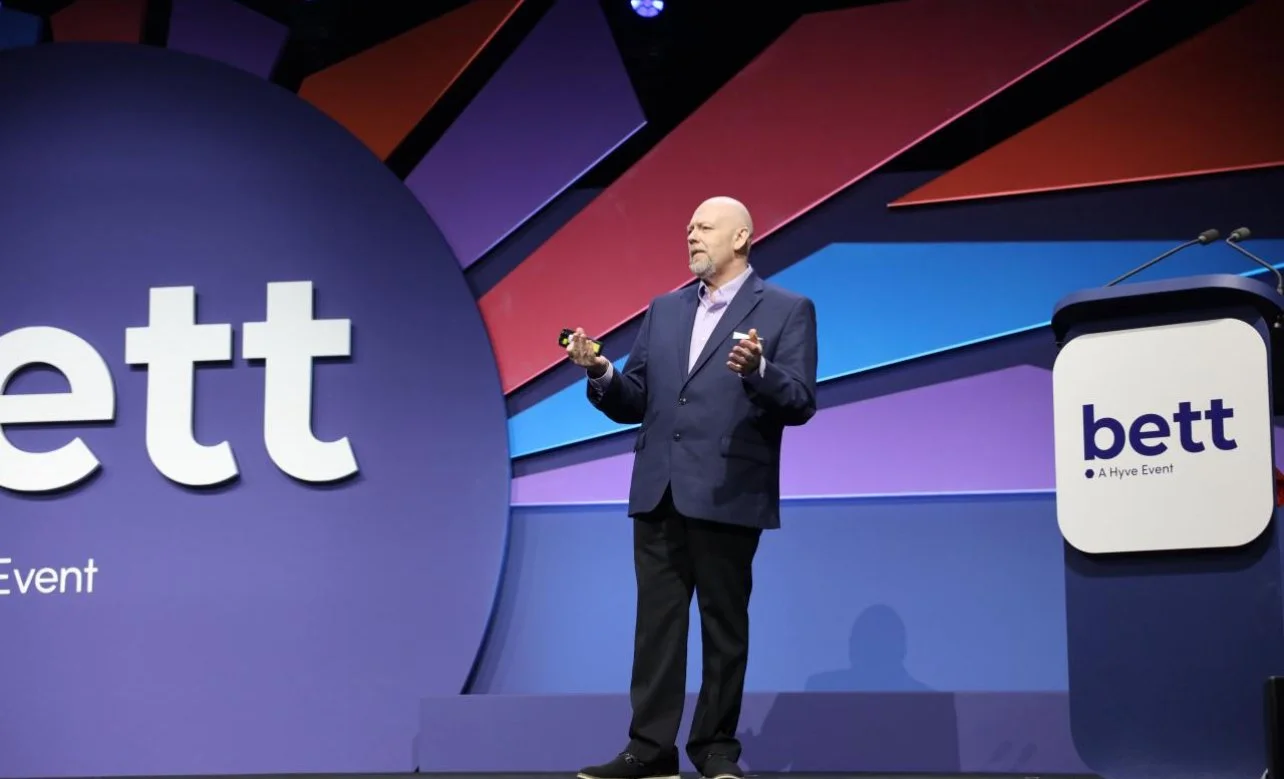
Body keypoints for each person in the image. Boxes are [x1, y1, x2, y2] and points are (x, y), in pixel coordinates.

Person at [566, 196, 819, 779]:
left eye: (704, 227)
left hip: (729, 489)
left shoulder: (785, 310)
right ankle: (649, 749)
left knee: (723, 627)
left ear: (741, 238)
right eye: (688, 228)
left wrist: (759, 371)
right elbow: (636, 398)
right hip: (659, 489)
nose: (691, 234)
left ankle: (715, 747)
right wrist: (599, 371)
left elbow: (801, 401)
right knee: (656, 626)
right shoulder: (664, 309)